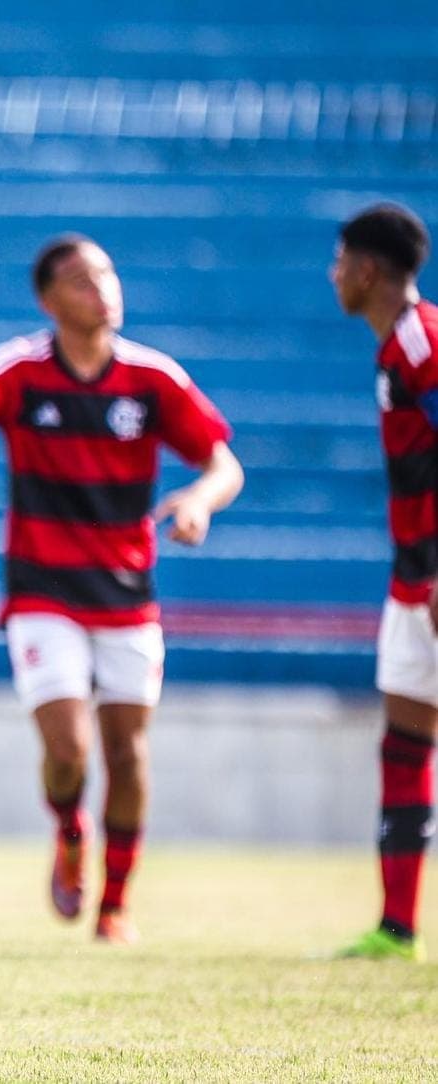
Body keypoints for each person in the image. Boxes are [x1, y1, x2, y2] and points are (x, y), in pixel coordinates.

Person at [0, 235, 243, 944]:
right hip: (43, 591)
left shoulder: (152, 378)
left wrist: (201, 502)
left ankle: (114, 907)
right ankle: (69, 829)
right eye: (84, 280)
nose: (103, 289)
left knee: (128, 753)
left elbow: (223, 463)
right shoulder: (19, 370)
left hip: (126, 595)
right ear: (49, 299)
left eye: (108, 275)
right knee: (70, 751)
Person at [330, 202, 437, 963]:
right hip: (413, 578)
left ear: (367, 269)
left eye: (339, 262)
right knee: (405, 742)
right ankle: (397, 927)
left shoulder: (424, 343)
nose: (332, 276)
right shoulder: (394, 350)